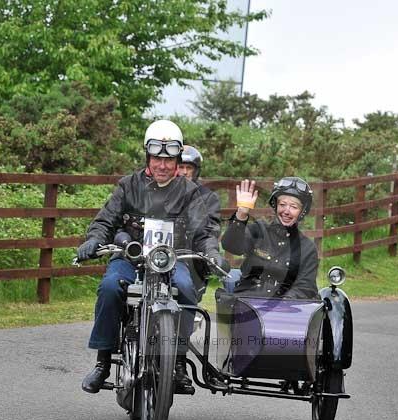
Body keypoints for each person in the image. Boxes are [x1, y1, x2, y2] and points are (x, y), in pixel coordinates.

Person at [77, 119, 224, 395]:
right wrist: (95, 239)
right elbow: (106, 219)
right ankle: (103, 361)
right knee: (110, 288)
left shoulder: (190, 192)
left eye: (170, 160)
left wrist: (211, 251)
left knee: (187, 290)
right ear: (148, 156)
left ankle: (178, 361)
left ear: (177, 160)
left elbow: (203, 230)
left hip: (173, 259)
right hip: (129, 257)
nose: (163, 165)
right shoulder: (128, 185)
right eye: (157, 158)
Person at [221, 177, 319, 299]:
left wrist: (279, 302)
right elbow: (231, 246)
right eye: (282, 204)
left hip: (286, 309)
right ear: (276, 205)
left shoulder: (307, 248)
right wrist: (241, 214)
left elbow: (306, 287)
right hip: (248, 302)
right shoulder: (258, 230)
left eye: (294, 207)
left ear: (302, 212)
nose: (286, 211)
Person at [176, 145, 222, 292]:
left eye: (188, 168)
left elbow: (211, 230)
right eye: (180, 167)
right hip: (164, 253)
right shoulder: (162, 191)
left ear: (195, 170)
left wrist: (209, 252)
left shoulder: (208, 197)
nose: (184, 172)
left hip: (193, 256)